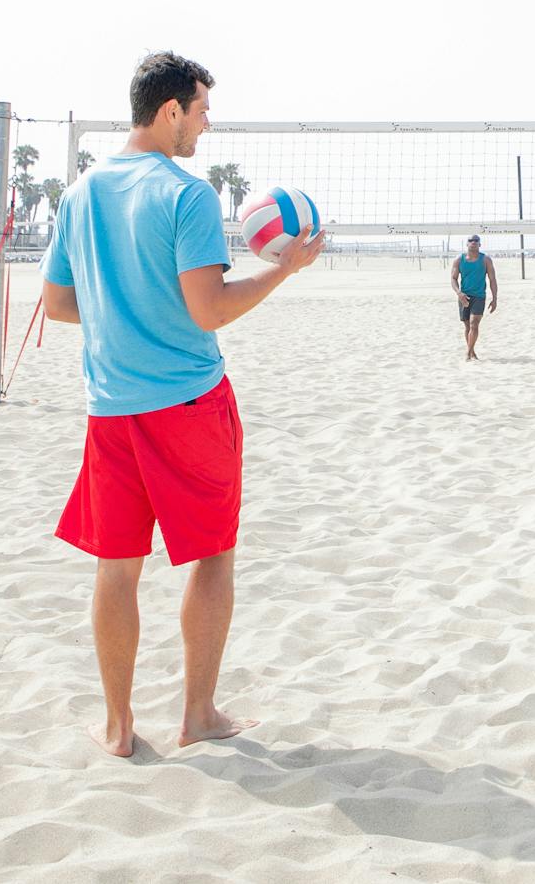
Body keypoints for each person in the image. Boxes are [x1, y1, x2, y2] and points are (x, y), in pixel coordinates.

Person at [41, 51, 324, 758]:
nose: (204, 124)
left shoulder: (79, 194)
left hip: (111, 408)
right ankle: (197, 714)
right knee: (213, 557)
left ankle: (117, 726)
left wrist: (123, 311)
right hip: (190, 405)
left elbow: (57, 305)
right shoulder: (186, 193)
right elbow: (209, 310)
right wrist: (281, 270)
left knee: (116, 567)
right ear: (169, 110)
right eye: (200, 110)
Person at [450, 235, 497, 360]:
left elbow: (492, 279)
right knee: (467, 326)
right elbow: (453, 279)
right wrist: (459, 293)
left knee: (474, 324)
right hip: (464, 296)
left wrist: (495, 298)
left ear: (479, 244)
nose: (473, 242)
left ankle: (468, 353)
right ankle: (472, 351)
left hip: (479, 296)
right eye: (471, 240)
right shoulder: (459, 260)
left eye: (476, 240)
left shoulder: (486, 260)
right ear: (467, 244)